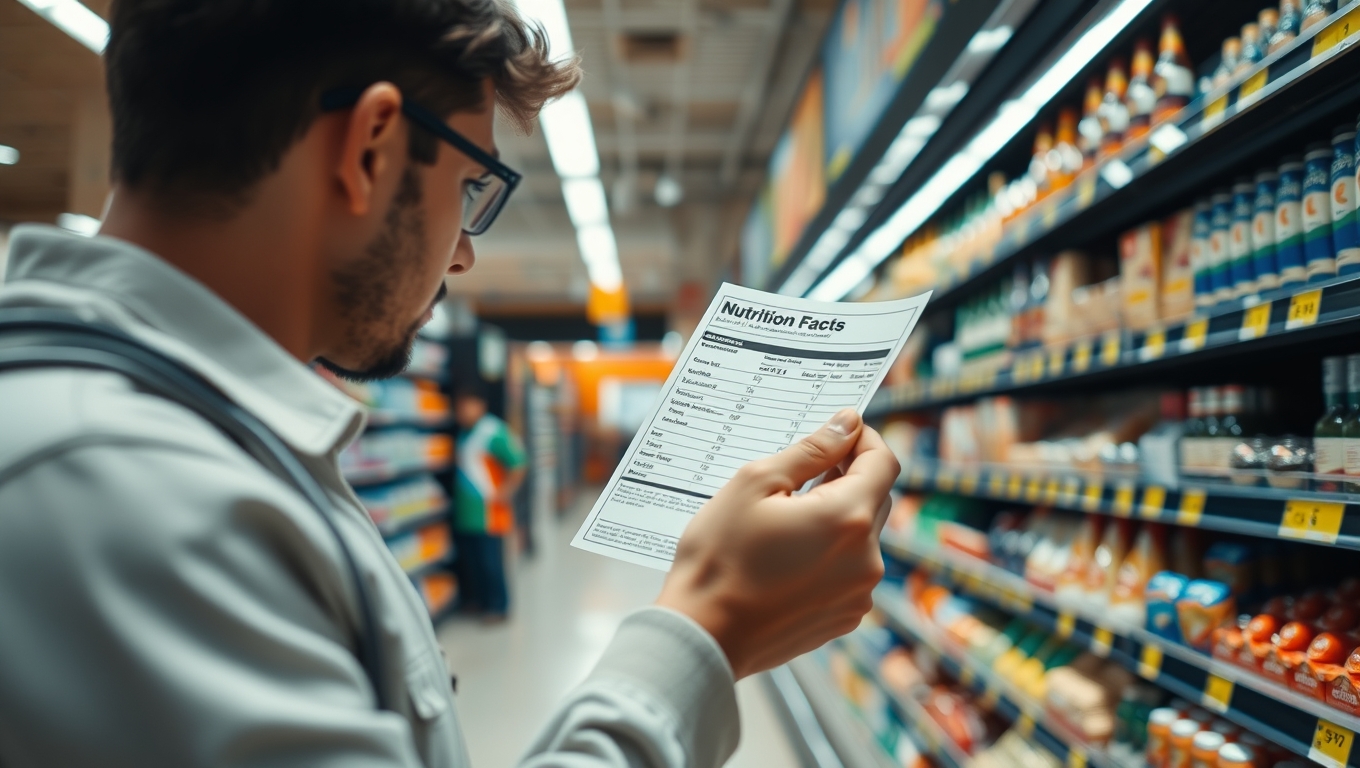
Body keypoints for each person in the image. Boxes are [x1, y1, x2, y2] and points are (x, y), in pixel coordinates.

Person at [0, 1, 899, 766]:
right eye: (473, 186)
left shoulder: (185, 440)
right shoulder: (123, 495)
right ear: (370, 147)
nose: (465, 253)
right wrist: (708, 631)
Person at [451, 385, 526, 620]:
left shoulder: (493, 431)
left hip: (489, 512)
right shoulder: (464, 433)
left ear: (481, 405)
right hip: (467, 513)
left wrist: (505, 491)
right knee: (473, 562)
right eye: (459, 407)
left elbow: (519, 462)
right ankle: (480, 602)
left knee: (490, 563)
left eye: (467, 405)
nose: (463, 411)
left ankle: (498, 607)